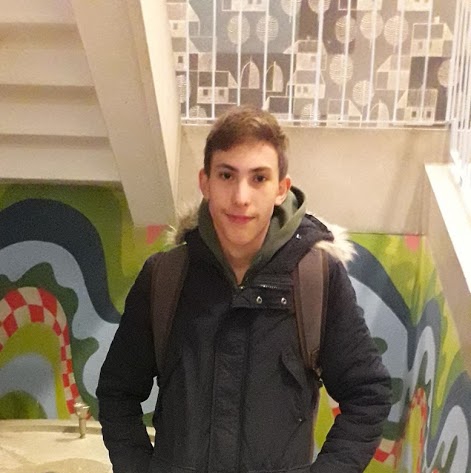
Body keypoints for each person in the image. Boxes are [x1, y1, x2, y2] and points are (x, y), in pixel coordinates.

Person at [96, 105, 392, 473]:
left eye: (259, 178)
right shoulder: (164, 278)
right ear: (205, 182)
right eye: (226, 175)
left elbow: (368, 395)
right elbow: (118, 392)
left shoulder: (317, 278)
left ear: (281, 189)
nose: (240, 197)